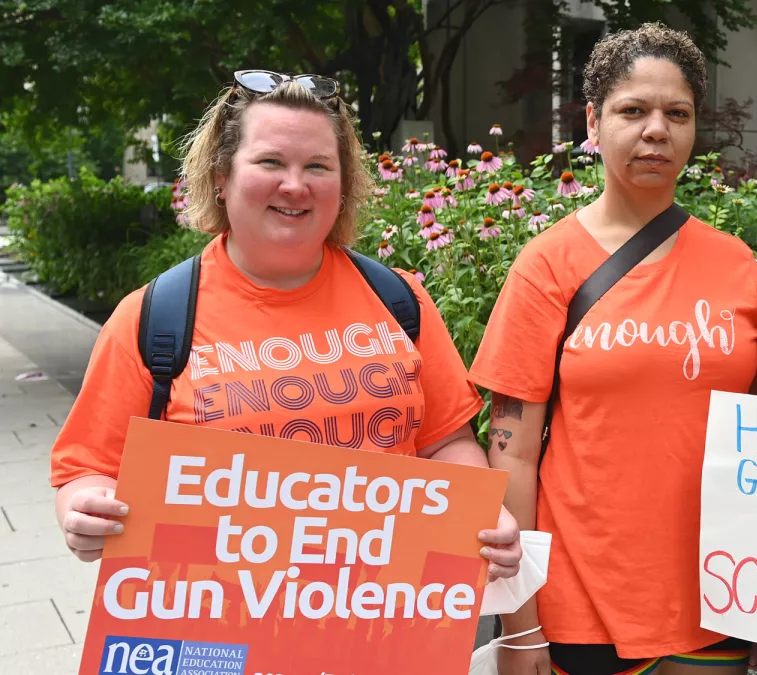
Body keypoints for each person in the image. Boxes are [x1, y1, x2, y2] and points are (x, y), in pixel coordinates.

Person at [49, 70, 521, 582]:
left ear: (343, 184)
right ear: (221, 175)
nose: (295, 186)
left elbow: (445, 443)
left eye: (318, 165)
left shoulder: (399, 300)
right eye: (270, 161)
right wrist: (85, 508)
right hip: (221, 632)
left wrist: (481, 514)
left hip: (386, 614)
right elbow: (87, 468)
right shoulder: (152, 319)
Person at [469, 23, 757, 675]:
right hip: (580, 604)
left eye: (676, 113)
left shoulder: (736, 266)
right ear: (593, 121)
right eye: (633, 110)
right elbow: (510, 456)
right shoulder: (546, 265)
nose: (655, 129)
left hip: (716, 601)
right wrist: (521, 627)